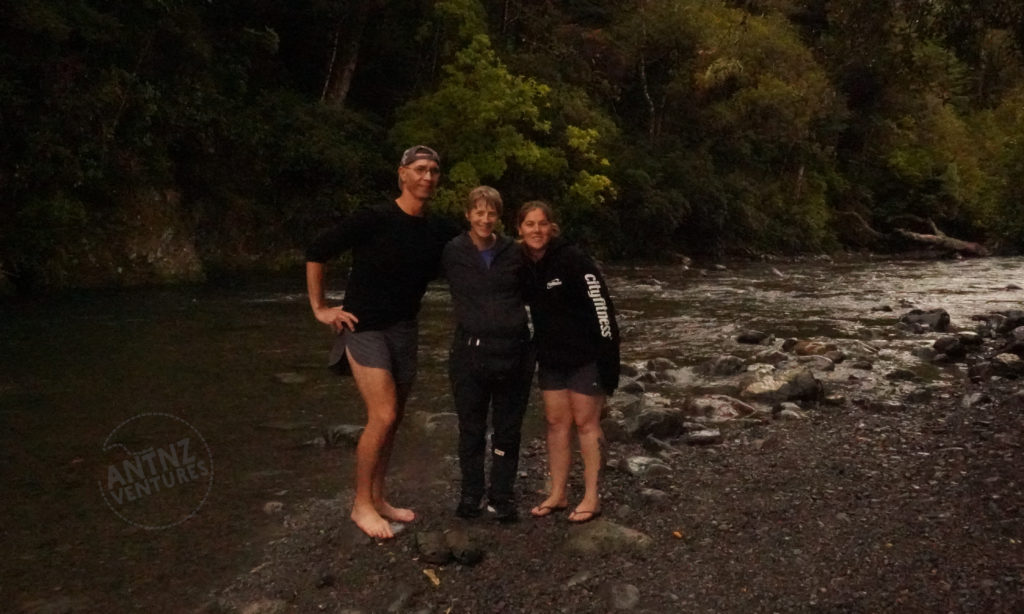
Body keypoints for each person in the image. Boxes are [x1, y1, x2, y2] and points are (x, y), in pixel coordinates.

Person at [305, 145, 457, 539]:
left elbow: (479, 252)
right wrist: (320, 307)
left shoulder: (438, 229)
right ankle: (360, 505)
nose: (428, 176)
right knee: (383, 415)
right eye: (420, 169)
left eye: (434, 171)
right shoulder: (374, 219)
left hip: (404, 329)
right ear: (402, 174)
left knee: (394, 419)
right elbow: (318, 250)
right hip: (364, 327)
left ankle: (379, 496)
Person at [517, 200, 620, 524]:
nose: (536, 230)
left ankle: (592, 497)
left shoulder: (574, 259)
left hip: (585, 357)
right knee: (555, 424)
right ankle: (558, 493)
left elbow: (602, 308)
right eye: (529, 224)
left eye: (541, 223)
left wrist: (609, 361)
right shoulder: (523, 264)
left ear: (552, 227)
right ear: (519, 230)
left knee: (586, 424)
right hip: (551, 359)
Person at [442, 186, 534, 523]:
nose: (485, 218)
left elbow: (539, 288)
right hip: (469, 354)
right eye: (478, 212)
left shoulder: (515, 252)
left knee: (509, 429)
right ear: (468, 215)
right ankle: (471, 494)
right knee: (471, 429)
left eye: (491, 212)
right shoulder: (452, 251)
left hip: (514, 353)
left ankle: (501, 496)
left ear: (499, 216)